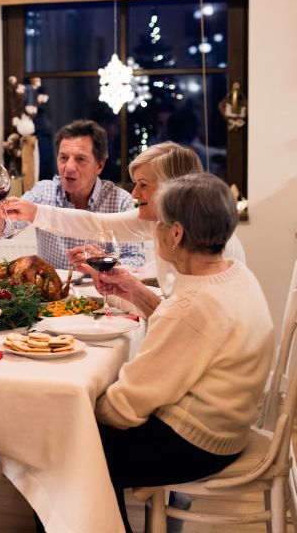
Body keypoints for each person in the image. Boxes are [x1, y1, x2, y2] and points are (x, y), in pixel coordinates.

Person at [87, 173, 274, 532]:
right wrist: (136, 292)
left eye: (159, 222)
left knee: (69, 451)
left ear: (176, 234)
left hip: (196, 443)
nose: (154, 229)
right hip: (229, 427)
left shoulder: (192, 308)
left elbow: (126, 408)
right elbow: (190, 339)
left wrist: (79, 409)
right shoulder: (236, 275)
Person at [5, 141, 246, 312]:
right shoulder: (163, 222)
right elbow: (95, 222)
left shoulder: (208, 246)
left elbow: (189, 324)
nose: (134, 193)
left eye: (143, 184)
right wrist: (34, 212)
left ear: (172, 188)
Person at [0, 120, 145, 271]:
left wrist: (107, 262)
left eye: (80, 159)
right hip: (54, 295)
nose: (69, 167)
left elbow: (137, 261)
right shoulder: (44, 191)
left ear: (99, 165)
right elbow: (8, 227)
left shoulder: (121, 201)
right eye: (64, 158)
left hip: (104, 292)